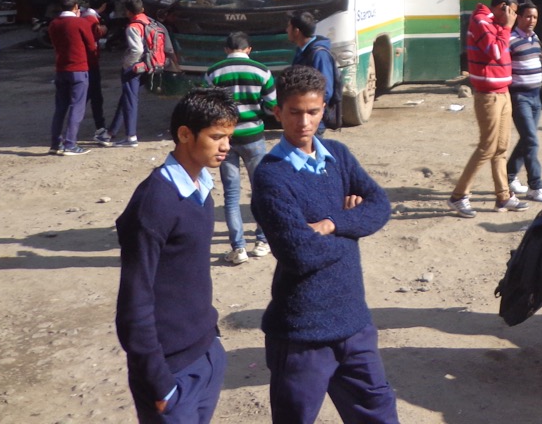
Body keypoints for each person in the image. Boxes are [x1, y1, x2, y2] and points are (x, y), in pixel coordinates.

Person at [251, 66, 400, 424]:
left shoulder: (339, 155)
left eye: (313, 112)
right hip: (303, 332)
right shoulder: (271, 175)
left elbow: (380, 205)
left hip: (354, 322)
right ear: (278, 112)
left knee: (379, 413)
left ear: (324, 109)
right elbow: (298, 253)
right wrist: (353, 231)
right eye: (295, 112)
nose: (304, 121)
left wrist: (334, 223)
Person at [115, 88, 236, 423]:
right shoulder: (155, 204)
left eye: (228, 136)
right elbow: (133, 304)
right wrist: (159, 383)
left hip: (205, 355)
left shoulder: (202, 190)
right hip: (170, 372)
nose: (226, 146)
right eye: (216, 137)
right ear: (185, 134)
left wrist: (212, 344)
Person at [449, 0, 527, 218]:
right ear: (502, 7)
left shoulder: (494, 23)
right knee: (487, 147)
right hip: (488, 95)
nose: (513, 17)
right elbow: (494, 50)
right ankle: (458, 196)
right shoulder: (481, 21)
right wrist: (507, 27)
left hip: (502, 93)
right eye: (512, 12)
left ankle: (503, 196)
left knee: (501, 147)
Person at [204, 32, 277, 265]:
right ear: (249, 49)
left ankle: (239, 248)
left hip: (225, 139)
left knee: (231, 195)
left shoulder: (213, 72)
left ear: (226, 50)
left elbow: (207, 106)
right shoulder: (262, 71)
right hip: (254, 137)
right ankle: (262, 241)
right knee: (260, 190)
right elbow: (271, 105)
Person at [506, 4, 542, 203]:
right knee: (531, 140)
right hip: (519, 96)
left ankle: (508, 176)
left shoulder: (535, 38)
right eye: (527, 17)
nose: (531, 21)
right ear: (518, 18)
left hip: (535, 96)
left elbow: (534, 60)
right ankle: (536, 185)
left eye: (534, 17)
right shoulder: (510, 40)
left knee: (527, 139)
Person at [48, 0, 97, 156]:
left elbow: (54, 44)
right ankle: (70, 144)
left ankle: (56, 143)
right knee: (77, 107)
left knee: (60, 107)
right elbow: (91, 45)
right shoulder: (80, 23)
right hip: (79, 69)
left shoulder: (54, 24)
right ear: (76, 7)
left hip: (61, 69)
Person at [110, 0, 152, 148]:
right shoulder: (148, 22)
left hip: (135, 67)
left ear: (128, 12)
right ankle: (111, 132)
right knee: (128, 98)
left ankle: (131, 137)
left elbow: (137, 50)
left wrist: (127, 63)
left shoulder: (133, 27)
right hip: (149, 65)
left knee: (130, 101)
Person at [287, 11, 338, 119]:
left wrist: (312, 111)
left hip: (314, 118)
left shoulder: (319, 55)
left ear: (296, 31)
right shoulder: (301, 51)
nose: (286, 30)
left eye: (289, 27)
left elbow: (326, 90)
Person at [81, 0, 110, 144]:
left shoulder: (83, 16)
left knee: (85, 98)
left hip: (83, 64)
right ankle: (100, 129)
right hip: (90, 64)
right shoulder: (92, 20)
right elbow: (92, 43)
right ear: (103, 6)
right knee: (93, 97)